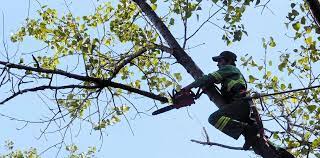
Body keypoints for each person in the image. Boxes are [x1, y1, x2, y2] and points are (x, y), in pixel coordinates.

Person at [182, 51, 259, 150]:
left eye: (220, 61)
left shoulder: (230, 68)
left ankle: (248, 130)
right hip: (242, 107)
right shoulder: (228, 79)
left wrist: (188, 87)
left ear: (229, 61)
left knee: (214, 118)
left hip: (241, 103)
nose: (218, 64)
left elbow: (209, 78)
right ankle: (250, 133)